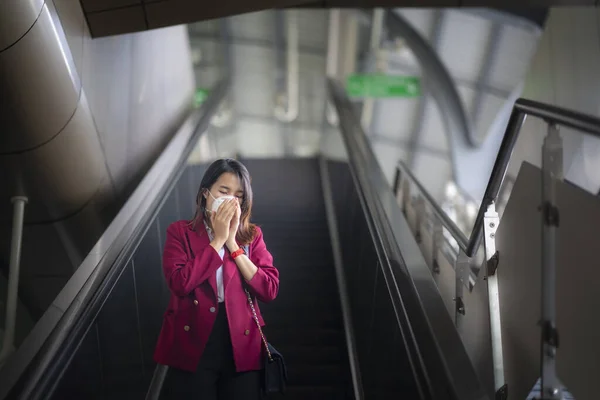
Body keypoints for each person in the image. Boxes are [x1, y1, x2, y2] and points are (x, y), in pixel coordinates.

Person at [154, 158, 279, 400]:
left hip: (242, 342)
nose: (232, 199)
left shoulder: (252, 236)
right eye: (224, 191)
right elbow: (180, 282)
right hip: (194, 340)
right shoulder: (180, 232)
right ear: (205, 194)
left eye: (239, 195)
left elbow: (270, 288)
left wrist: (232, 244)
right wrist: (217, 241)